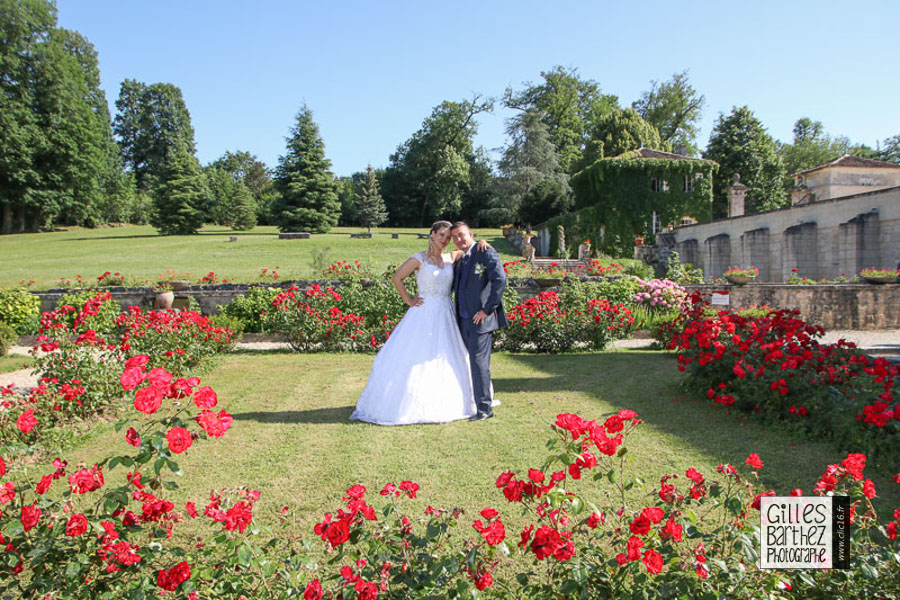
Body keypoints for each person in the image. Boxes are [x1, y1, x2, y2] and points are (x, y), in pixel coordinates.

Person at [350, 221, 488, 425]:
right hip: (423, 312)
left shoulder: (451, 257)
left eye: (448, 237)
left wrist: (482, 241)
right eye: (441, 235)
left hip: (446, 313)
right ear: (432, 234)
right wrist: (409, 300)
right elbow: (397, 278)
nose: (445, 240)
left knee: (448, 356)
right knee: (416, 356)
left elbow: (472, 249)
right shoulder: (418, 259)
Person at [450, 221, 508, 421]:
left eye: (461, 235)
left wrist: (487, 309)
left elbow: (500, 280)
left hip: (480, 320)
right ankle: (471, 402)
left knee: (478, 363)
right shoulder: (460, 258)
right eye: (454, 237)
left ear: (471, 233)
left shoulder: (486, 252)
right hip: (462, 319)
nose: (458, 239)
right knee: (467, 361)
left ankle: (484, 409)